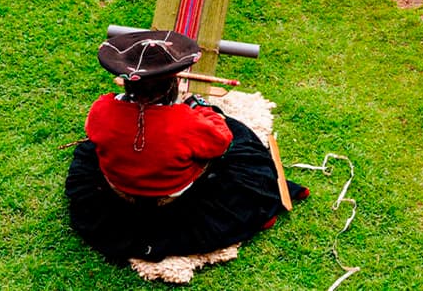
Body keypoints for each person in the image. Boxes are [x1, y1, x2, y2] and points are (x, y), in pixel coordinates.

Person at [65, 30, 307, 262]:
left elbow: (96, 133)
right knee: (236, 136)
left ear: (126, 82)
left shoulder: (102, 109)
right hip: (172, 195)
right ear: (173, 85)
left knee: (91, 151)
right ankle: (252, 215)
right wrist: (201, 108)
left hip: (120, 187)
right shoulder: (187, 122)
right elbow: (221, 143)